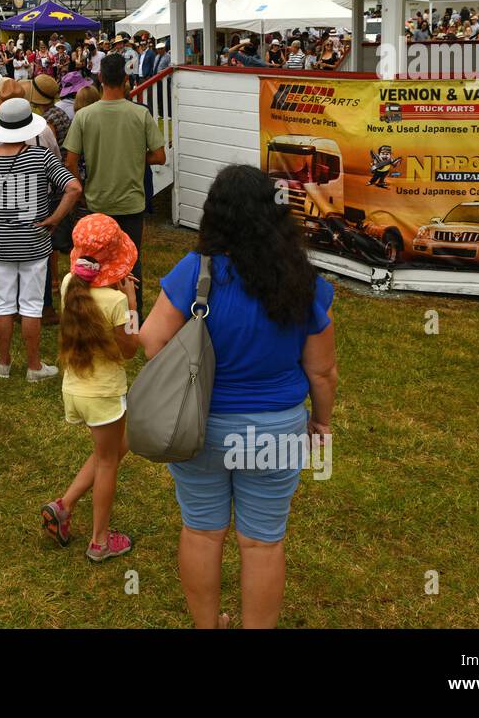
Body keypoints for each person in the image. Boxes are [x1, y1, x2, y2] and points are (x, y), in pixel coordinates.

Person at [139, 164, 336, 628]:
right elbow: (322, 370)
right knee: (263, 542)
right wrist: (322, 422)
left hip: (200, 425)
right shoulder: (303, 281)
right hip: (276, 429)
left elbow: (150, 340)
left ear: (214, 215)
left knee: (203, 533)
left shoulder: (194, 272)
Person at [42, 214, 140, 561]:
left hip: (76, 390)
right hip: (103, 395)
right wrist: (130, 302)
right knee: (109, 461)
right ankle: (100, 541)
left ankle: (64, 505)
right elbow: (130, 349)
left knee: (110, 451)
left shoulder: (71, 284)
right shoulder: (114, 303)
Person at [0, 97, 82, 382]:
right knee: (32, 305)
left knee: (2, 304)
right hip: (34, 240)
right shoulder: (41, 157)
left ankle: (4, 363)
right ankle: (34, 367)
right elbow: (73, 188)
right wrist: (55, 218)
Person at [62, 53, 165, 284]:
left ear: (100, 78)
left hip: (98, 200)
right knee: (130, 263)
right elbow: (159, 156)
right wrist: (136, 158)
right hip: (131, 203)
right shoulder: (140, 114)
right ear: (126, 79)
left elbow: (70, 160)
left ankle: (98, 313)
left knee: (94, 264)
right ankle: (132, 315)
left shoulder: (84, 116)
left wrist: (82, 189)